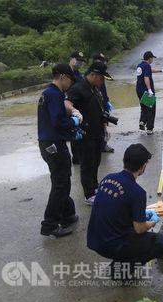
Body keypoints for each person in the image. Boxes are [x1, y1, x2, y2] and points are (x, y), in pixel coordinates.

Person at [87, 144, 163, 278]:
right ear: (143, 166)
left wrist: (140, 215)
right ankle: (120, 272)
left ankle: (119, 264)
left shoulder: (107, 178)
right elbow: (140, 229)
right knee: (161, 242)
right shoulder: (137, 192)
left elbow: (117, 208)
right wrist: (152, 222)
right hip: (111, 244)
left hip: (94, 239)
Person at [38, 64, 82, 237]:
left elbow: (53, 122)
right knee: (61, 183)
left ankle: (68, 214)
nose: (70, 84)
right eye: (70, 80)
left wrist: (71, 133)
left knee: (61, 181)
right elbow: (58, 121)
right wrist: (74, 122)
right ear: (63, 77)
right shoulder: (54, 94)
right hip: (54, 145)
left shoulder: (48, 93)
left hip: (50, 143)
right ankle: (50, 224)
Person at [66, 62, 113, 205]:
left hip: (97, 132)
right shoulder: (78, 88)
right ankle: (89, 194)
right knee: (87, 164)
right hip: (85, 134)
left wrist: (104, 126)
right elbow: (67, 103)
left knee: (96, 162)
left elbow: (99, 108)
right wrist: (74, 112)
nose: (102, 82)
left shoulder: (94, 89)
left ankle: (95, 186)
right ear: (93, 75)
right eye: (101, 78)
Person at [136, 51, 163, 134]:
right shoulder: (146, 66)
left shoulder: (141, 65)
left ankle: (142, 122)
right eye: (152, 58)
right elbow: (146, 77)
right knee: (151, 109)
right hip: (146, 91)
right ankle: (149, 129)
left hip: (139, 90)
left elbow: (150, 71)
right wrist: (149, 89)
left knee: (143, 107)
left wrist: (161, 71)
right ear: (149, 58)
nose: (152, 59)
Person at [92, 52, 115, 154]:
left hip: (103, 101)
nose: (104, 62)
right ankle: (101, 145)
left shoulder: (101, 73)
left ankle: (103, 144)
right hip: (98, 104)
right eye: (102, 61)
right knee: (100, 124)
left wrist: (107, 100)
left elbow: (103, 90)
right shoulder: (94, 74)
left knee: (104, 123)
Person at [68, 51, 86, 164]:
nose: (80, 63)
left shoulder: (78, 74)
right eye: (78, 60)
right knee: (74, 132)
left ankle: (80, 155)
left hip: (79, 106)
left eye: (81, 62)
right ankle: (76, 158)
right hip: (70, 106)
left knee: (80, 132)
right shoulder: (66, 73)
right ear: (72, 59)